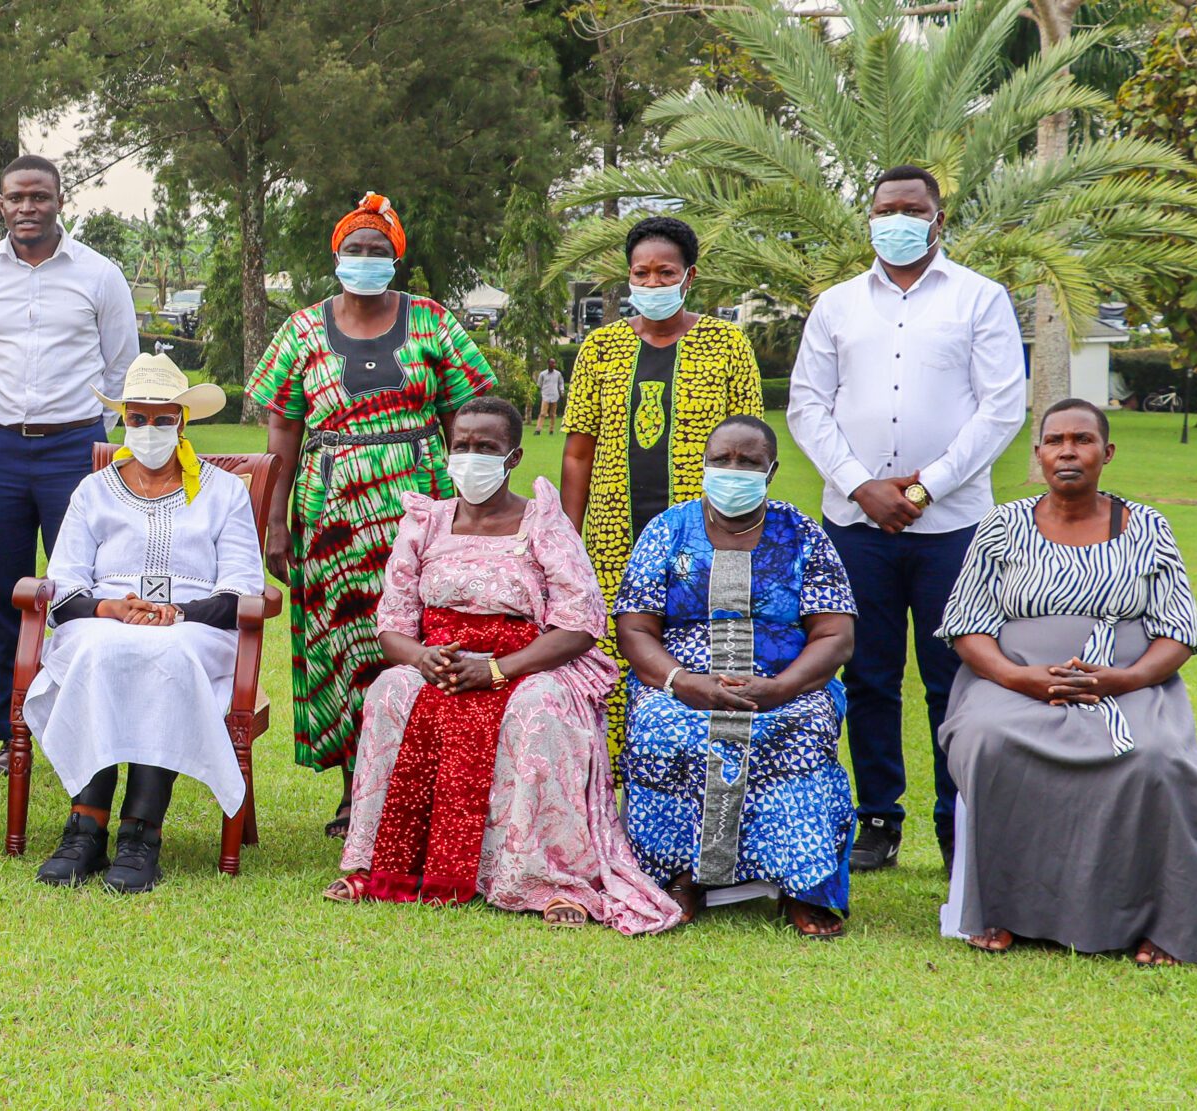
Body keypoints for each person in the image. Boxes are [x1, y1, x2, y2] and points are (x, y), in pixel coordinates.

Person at [330, 397, 681, 934]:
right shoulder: (425, 522)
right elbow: (392, 624)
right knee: (390, 690)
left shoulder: (542, 522)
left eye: (486, 447)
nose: (471, 457)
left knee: (541, 706)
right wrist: (422, 658)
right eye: (461, 446)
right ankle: (384, 864)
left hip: (527, 663)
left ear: (512, 457)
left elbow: (580, 624)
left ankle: (549, 879)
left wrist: (497, 670)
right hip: (439, 664)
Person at [787, 165, 1026, 872]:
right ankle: (878, 818)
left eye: (911, 209)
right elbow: (807, 404)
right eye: (884, 209)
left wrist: (925, 489)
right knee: (867, 674)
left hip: (953, 527)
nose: (896, 220)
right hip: (855, 524)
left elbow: (1002, 408)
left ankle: (958, 822)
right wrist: (861, 486)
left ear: (937, 219)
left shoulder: (980, 297)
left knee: (955, 674)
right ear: (869, 218)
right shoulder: (836, 305)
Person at [248, 192, 497, 836]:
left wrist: (474, 505)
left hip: (423, 504)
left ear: (396, 258)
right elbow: (283, 429)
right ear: (336, 256)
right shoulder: (302, 329)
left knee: (428, 631)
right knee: (345, 644)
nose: (365, 258)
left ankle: (422, 784)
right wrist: (274, 522)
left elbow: (469, 419)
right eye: (354, 249)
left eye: (377, 250)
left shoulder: (434, 322)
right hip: (330, 514)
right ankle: (354, 790)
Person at [935, 400, 1197, 966]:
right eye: (1055, 440)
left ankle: (1157, 924)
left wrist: (1124, 679)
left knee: (1161, 759)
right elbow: (966, 624)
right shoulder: (1003, 525)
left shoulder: (1147, 527)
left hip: (1126, 688)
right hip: (1013, 684)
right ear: (1039, 453)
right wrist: (1020, 677)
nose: (1068, 451)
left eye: (1082, 440)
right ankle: (1000, 910)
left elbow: (1179, 630)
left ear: (1106, 453)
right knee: (990, 742)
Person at [23, 357, 261, 894]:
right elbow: (63, 586)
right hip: (103, 617)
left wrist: (179, 613)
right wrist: (109, 608)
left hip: (195, 626)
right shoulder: (93, 491)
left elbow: (242, 589)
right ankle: (85, 826)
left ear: (182, 421)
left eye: (161, 419)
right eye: (137, 418)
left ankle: (140, 832)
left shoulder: (224, 491)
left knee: (166, 654)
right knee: (99, 651)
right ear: (124, 421)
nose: (149, 429)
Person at [614, 416, 858, 938]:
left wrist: (782, 689)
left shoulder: (801, 534)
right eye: (721, 459)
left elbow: (835, 635)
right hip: (681, 682)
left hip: (784, 683)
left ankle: (801, 886)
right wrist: (682, 682)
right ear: (704, 463)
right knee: (661, 727)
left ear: (771, 471)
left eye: (748, 462)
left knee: (805, 726)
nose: (732, 469)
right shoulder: (668, 529)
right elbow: (634, 628)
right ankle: (678, 877)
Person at [0, 153, 139, 777]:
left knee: (79, 595)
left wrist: (89, 431)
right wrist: (1, 422)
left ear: (59, 201)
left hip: (75, 451)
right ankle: (12, 735)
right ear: (0, 204)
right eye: (16, 197)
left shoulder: (100, 274)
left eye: (39, 196)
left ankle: (82, 734)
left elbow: (121, 364)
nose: (27, 207)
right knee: (6, 596)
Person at [558, 216, 762, 746]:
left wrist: (742, 535)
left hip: (702, 538)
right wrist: (567, 540)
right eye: (641, 273)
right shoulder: (601, 348)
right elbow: (578, 452)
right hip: (611, 542)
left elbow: (751, 448)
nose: (652, 283)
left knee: (697, 653)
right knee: (608, 660)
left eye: (665, 272)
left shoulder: (726, 344)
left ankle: (687, 773)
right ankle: (610, 778)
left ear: (689, 276)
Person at [534, 364, 565, 436]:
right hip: (545, 396)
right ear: (548, 364)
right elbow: (539, 384)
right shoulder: (543, 374)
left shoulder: (558, 374)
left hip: (554, 396)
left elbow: (561, 383)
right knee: (542, 413)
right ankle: (538, 430)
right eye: (551, 363)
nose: (553, 365)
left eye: (554, 363)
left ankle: (551, 430)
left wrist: (562, 391)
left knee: (553, 414)